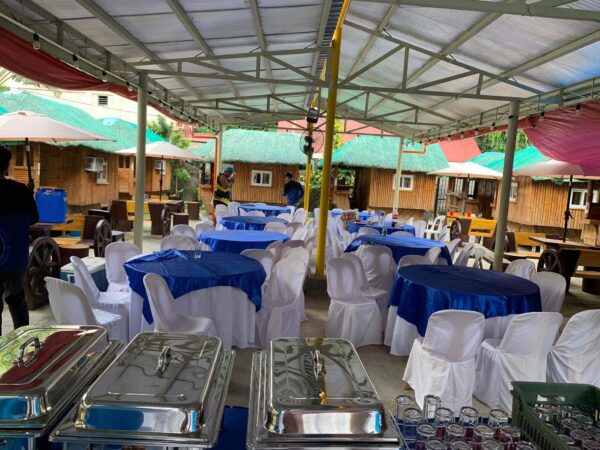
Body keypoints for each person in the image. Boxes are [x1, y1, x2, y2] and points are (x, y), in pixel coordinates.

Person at [0, 145, 38, 334]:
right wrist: (29, 195)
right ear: (6, 167)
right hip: (15, 256)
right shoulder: (20, 190)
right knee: (17, 299)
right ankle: (22, 342)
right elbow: (34, 218)